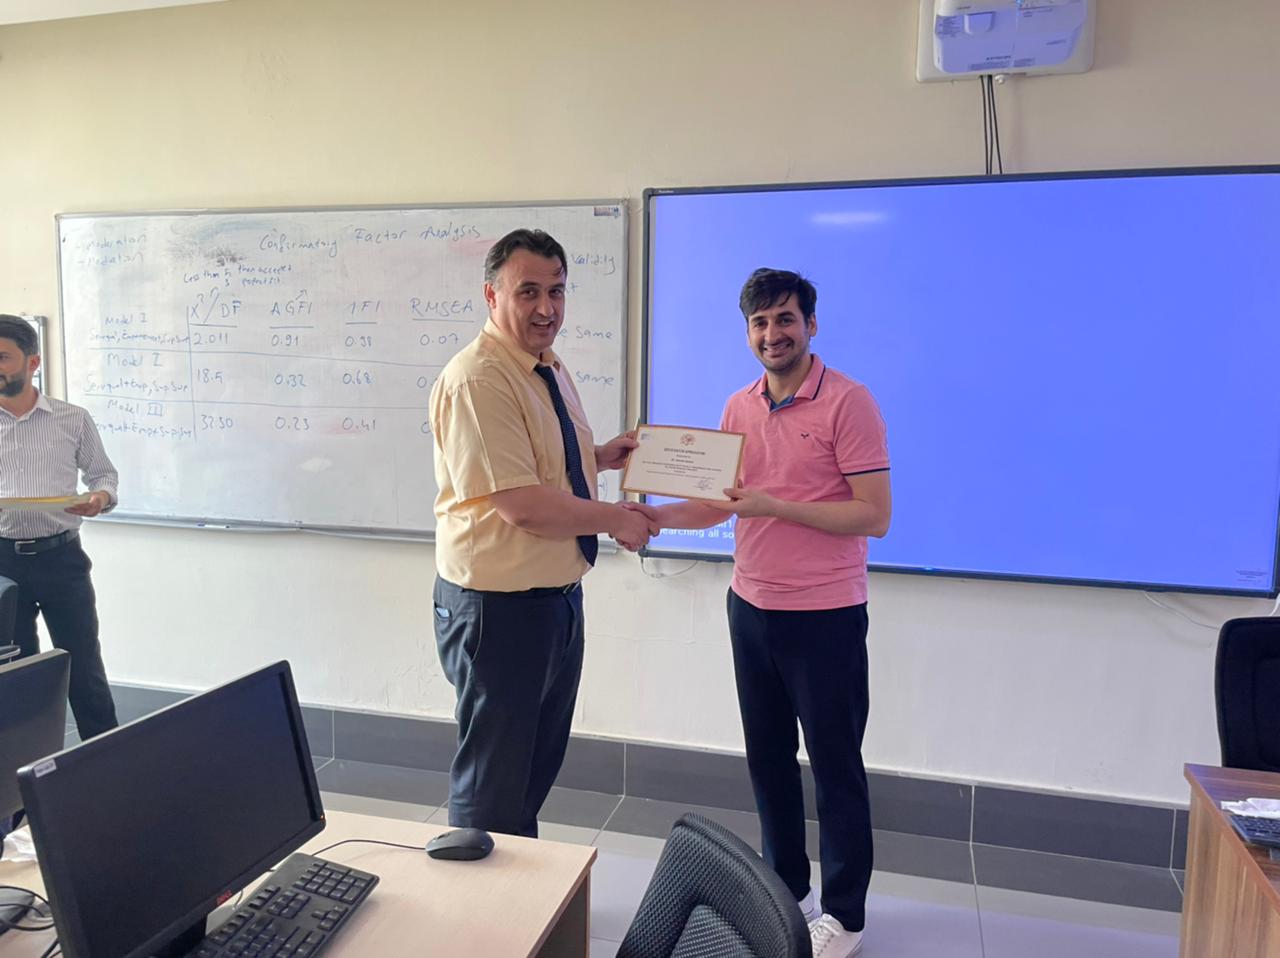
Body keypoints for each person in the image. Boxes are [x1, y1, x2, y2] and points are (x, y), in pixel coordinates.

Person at [648, 269, 891, 958]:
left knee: (835, 767)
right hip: (751, 606)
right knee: (769, 761)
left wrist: (775, 506)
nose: (772, 334)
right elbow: (718, 504)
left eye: (785, 319)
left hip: (825, 615)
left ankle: (845, 916)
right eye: (759, 322)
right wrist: (650, 518)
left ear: (811, 324)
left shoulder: (849, 402)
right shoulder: (738, 406)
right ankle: (787, 891)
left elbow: (874, 516)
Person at [429, 229, 658, 838]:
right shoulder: (480, 378)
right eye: (527, 291)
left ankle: (519, 882)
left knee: (529, 770)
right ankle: (481, 890)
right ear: (491, 295)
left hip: (552, 600)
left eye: (556, 291)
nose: (546, 308)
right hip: (499, 609)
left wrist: (601, 457)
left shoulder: (546, 366)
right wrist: (617, 519)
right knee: (492, 784)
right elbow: (521, 504)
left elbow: (540, 466)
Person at [0, 314, 120, 742]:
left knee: (83, 665)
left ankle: (107, 761)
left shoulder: (72, 418)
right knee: (15, 672)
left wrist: (99, 498)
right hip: (2, 563)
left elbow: (104, 476)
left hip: (61, 558)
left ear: (33, 362)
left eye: (3, 357)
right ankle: (23, 769)